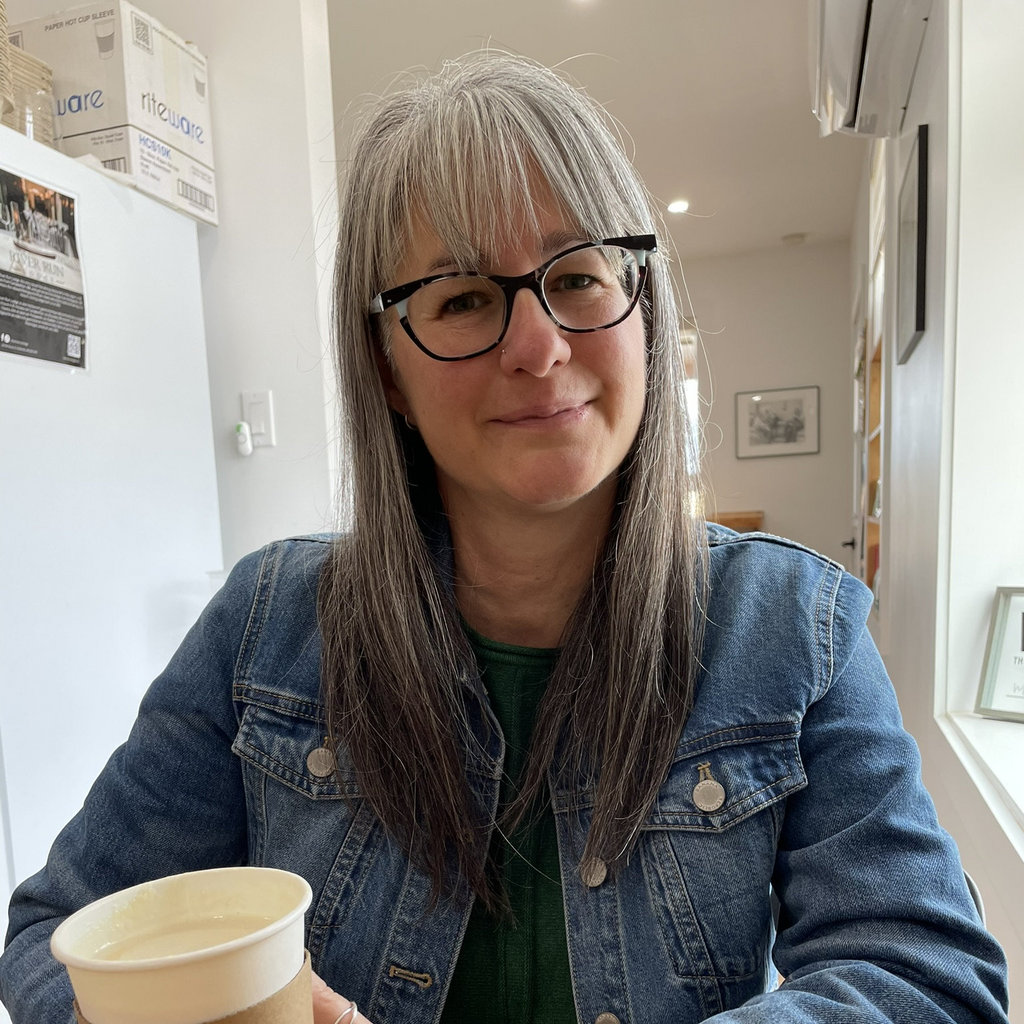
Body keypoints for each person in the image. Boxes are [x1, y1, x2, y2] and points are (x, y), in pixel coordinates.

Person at [0, 52, 1011, 1024]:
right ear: (388, 372)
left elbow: (924, 975)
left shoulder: (796, 626)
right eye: (463, 298)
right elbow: (57, 935)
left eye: (578, 278)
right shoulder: (264, 628)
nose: (538, 346)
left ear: (643, 309)